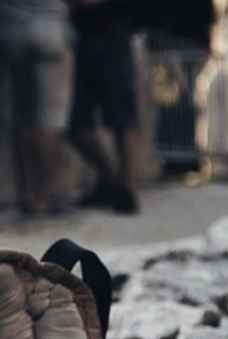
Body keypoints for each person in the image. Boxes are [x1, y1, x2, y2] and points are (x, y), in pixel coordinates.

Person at [0, 0, 74, 217]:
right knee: (49, 120)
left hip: (10, 34)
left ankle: (28, 197)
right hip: (48, 34)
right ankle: (49, 195)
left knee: (22, 118)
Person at [67, 0, 141, 214]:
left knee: (121, 120)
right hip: (85, 38)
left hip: (112, 36)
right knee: (77, 126)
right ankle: (113, 182)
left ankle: (124, 188)